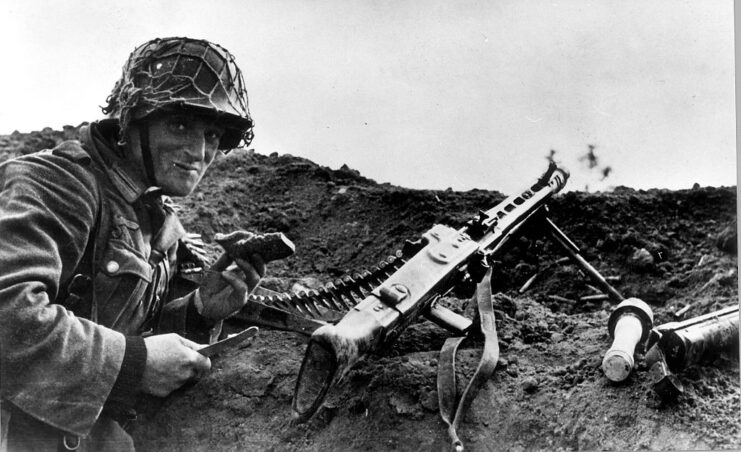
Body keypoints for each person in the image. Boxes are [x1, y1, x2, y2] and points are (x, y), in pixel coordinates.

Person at [0, 37, 264, 451]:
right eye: (179, 125)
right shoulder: (57, 184)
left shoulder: (155, 219)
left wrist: (196, 311)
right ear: (133, 119)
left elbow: (120, 330)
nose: (199, 151)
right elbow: (8, 315)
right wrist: (134, 365)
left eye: (212, 134)